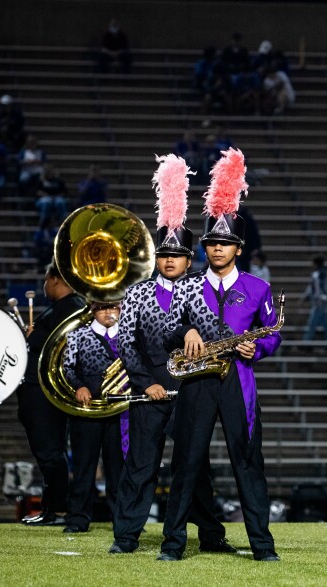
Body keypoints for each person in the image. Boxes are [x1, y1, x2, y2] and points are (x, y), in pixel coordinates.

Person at [159, 148, 281, 562]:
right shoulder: (186, 285)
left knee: (248, 465)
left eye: (225, 243)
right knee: (186, 466)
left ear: (238, 248)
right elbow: (168, 327)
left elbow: (272, 338)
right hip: (195, 383)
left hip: (238, 383)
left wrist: (256, 346)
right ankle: (173, 545)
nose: (216, 248)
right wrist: (187, 328)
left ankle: (263, 547)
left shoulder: (259, 288)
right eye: (212, 242)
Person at [111, 154, 233, 555]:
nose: (169, 260)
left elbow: (215, 333)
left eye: (177, 255)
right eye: (164, 255)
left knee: (194, 470)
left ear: (188, 257)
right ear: (157, 257)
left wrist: (197, 331)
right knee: (140, 468)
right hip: (149, 392)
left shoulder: (201, 291)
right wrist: (148, 384)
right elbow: (125, 342)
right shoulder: (137, 293)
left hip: (190, 391)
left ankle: (211, 536)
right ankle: (126, 537)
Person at [18, 262, 86, 526]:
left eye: (47, 279)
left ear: (57, 280)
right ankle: (53, 508)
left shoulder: (70, 307)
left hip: (44, 393)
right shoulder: (63, 308)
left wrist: (36, 337)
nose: (44, 285)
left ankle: (57, 510)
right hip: (38, 391)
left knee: (50, 452)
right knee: (49, 452)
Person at [61, 301, 125, 534]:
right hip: (87, 411)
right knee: (83, 467)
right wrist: (78, 386)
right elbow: (67, 368)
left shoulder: (129, 334)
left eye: (114, 307)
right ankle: (77, 518)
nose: (109, 312)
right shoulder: (76, 335)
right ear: (92, 309)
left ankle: (122, 519)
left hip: (119, 411)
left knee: (118, 469)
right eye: (102, 307)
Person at [302, 255, 327, 341]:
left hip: (319, 302)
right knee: (325, 323)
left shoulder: (319, 275)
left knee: (312, 323)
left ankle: (306, 341)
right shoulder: (321, 274)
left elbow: (318, 288)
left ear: (316, 264)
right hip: (320, 301)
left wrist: (320, 298)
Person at [16, 134, 46, 200]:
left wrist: (37, 161)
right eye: (30, 142)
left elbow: (44, 161)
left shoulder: (40, 152)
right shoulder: (24, 151)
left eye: (33, 142)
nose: (32, 144)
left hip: (37, 170)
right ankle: (24, 194)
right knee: (23, 179)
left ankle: (36, 194)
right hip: (27, 170)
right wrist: (26, 162)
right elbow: (19, 162)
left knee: (42, 179)